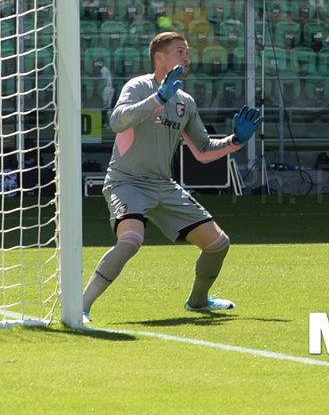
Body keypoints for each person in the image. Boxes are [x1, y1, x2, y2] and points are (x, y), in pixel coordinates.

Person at [81, 32, 262, 322]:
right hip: (126, 181)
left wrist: (235, 141)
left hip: (162, 185)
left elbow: (203, 150)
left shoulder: (185, 102)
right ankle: (82, 306)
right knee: (130, 240)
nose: (186, 57)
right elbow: (117, 121)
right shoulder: (139, 86)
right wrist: (157, 97)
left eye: (187, 52)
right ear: (160, 58)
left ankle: (198, 302)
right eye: (180, 51)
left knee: (218, 244)